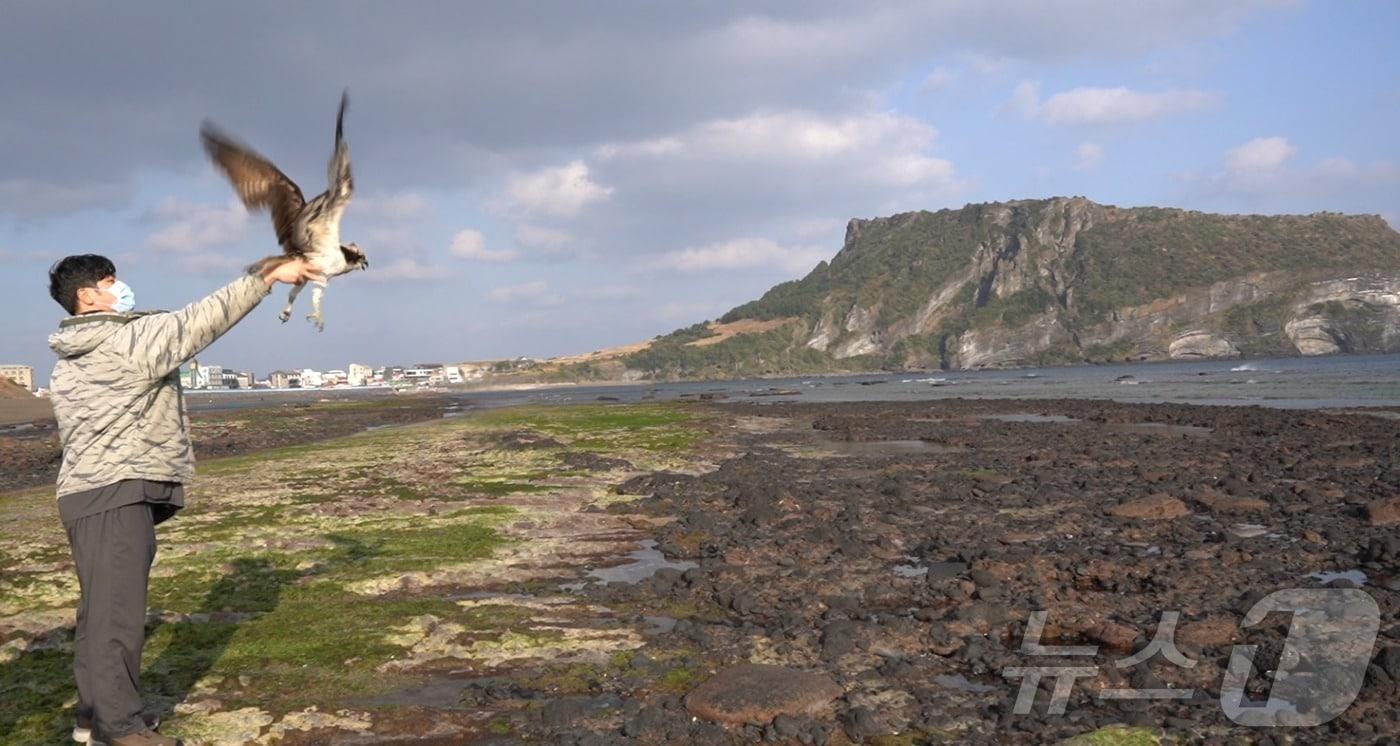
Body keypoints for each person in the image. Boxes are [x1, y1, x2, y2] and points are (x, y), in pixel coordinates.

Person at [46, 255, 319, 746]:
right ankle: (120, 728)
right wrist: (268, 276)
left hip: (85, 493)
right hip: (114, 490)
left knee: (99, 613)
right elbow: (202, 319)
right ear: (86, 296)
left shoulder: (73, 352)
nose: (122, 288)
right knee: (117, 616)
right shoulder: (125, 340)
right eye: (111, 282)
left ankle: (91, 718)